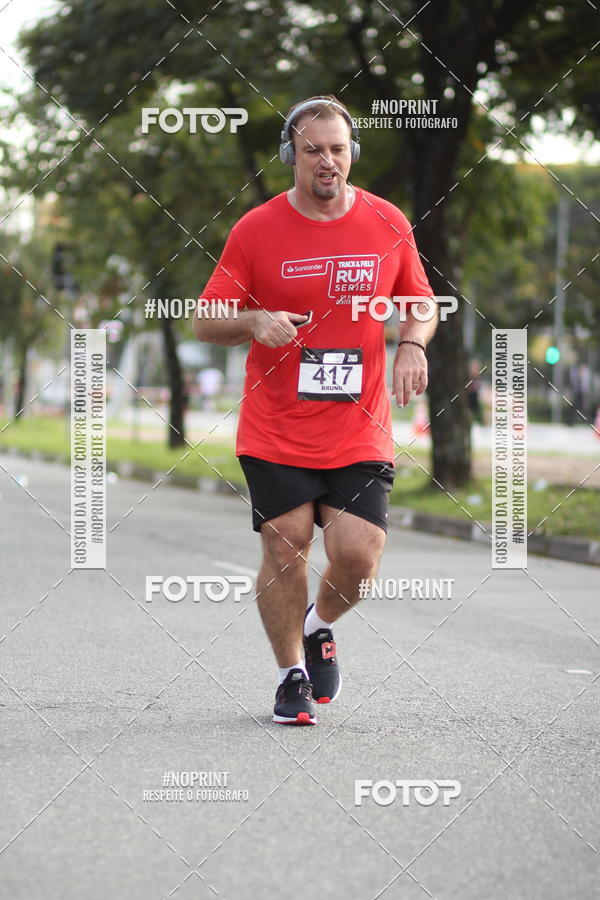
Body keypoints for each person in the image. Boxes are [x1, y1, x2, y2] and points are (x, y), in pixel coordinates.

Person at [194, 94, 438, 725]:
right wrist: (253, 321)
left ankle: (317, 623)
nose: (327, 161)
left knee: (357, 554)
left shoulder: (388, 223)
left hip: (359, 424)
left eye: (337, 148)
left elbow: (422, 301)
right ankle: (290, 676)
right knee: (287, 543)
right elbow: (204, 318)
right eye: (313, 150)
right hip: (277, 424)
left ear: (350, 153)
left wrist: (411, 344)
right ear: (291, 157)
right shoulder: (256, 229)